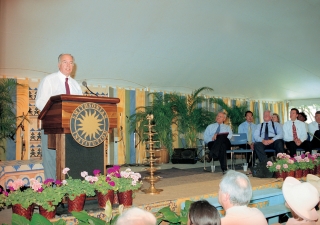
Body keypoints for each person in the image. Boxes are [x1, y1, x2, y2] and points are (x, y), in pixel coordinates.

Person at [35, 54, 83, 179]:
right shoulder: (49, 80)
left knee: (68, 159)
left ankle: (67, 189)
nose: (68, 65)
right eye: (65, 62)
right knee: (51, 159)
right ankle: (52, 191)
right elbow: (40, 102)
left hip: (71, 128)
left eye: (71, 63)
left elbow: (80, 106)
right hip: (52, 127)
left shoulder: (75, 84)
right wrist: (57, 113)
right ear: (58, 64)